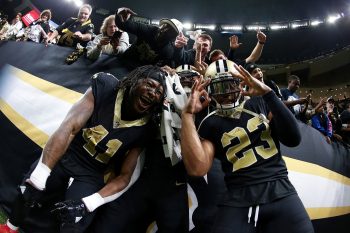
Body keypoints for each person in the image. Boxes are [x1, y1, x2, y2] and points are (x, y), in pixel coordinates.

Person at [0, 65, 167, 233]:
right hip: (66, 155)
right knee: (27, 192)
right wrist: (42, 173)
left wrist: (88, 204)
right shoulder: (106, 87)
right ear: (135, 80)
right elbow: (70, 127)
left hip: (90, 173)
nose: (153, 93)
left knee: (75, 223)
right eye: (150, 85)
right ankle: (10, 228)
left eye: (159, 92)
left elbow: (125, 177)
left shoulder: (148, 127)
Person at [180, 59, 314, 233]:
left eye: (230, 85)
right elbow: (197, 169)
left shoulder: (260, 103)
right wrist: (188, 114)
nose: (227, 93)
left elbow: (293, 139)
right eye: (220, 88)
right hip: (238, 198)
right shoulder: (209, 122)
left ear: (240, 83)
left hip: (280, 190)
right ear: (209, 91)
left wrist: (268, 93)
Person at [87, 66, 192, 233]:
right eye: (182, 78)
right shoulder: (152, 105)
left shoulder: (201, 110)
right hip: (140, 179)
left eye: (190, 79)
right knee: (106, 225)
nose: (186, 83)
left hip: (172, 186)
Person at [115, 7, 183, 69]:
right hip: (123, 63)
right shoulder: (149, 30)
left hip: (140, 74)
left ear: (173, 37)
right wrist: (120, 14)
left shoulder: (168, 50)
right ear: (162, 25)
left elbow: (164, 68)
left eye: (170, 30)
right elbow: (122, 24)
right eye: (166, 26)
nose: (165, 30)